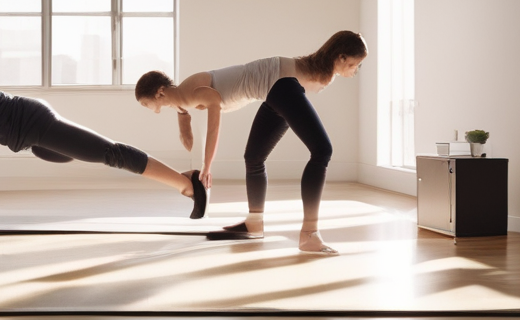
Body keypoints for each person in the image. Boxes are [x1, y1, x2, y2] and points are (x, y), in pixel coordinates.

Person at [0, 56, 208, 224]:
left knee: (111, 153)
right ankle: (183, 181)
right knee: (77, 153)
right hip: (31, 137)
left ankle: (187, 184)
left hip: (35, 126)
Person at [134, 31, 368, 251]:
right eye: (354, 64)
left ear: (160, 92)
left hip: (279, 85)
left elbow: (212, 124)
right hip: (274, 88)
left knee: (321, 150)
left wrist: (206, 165)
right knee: (254, 158)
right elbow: (183, 107)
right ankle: (254, 224)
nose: (355, 70)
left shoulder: (189, 92)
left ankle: (309, 233)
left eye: (354, 65)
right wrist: (184, 127)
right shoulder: (184, 93)